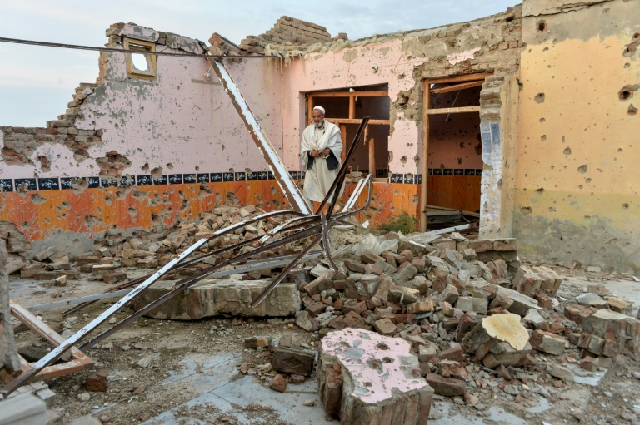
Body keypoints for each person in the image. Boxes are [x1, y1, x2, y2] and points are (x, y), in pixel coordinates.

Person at [300, 106, 343, 209]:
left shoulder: (333, 130)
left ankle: (330, 215)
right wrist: (310, 153)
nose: (316, 119)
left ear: (323, 116)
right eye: (314, 117)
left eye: (318, 116)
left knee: (329, 191)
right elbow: (303, 148)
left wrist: (330, 151)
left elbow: (339, 146)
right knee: (307, 189)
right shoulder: (307, 131)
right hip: (314, 165)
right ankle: (308, 216)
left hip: (326, 165)